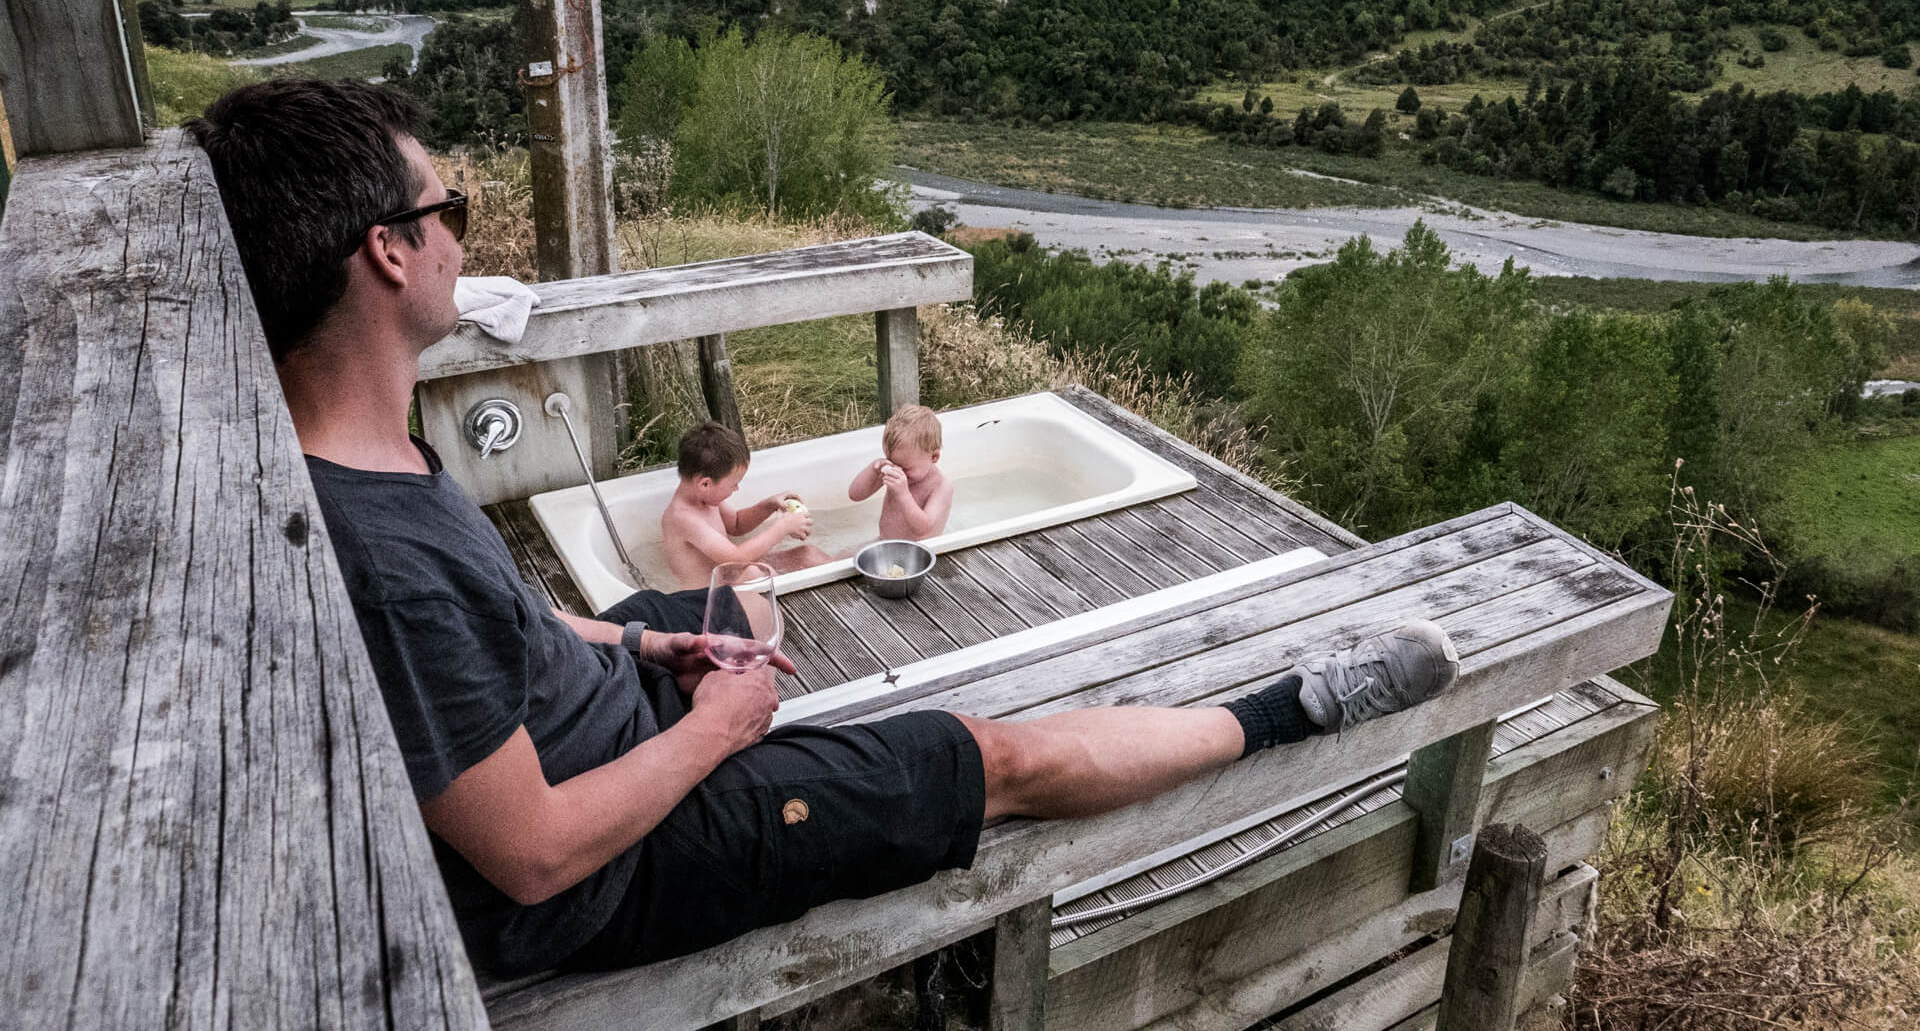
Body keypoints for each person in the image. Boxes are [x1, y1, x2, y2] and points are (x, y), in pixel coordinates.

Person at [190, 79, 1461, 978]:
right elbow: (531, 857)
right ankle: (1293, 705)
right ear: (389, 251)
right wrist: (716, 726)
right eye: (451, 207)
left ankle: (716, 679)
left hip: (603, 712)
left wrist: (641, 647)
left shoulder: (364, 452)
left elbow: (502, 625)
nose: (462, 233)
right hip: (613, 865)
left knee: (742, 605)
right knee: (987, 752)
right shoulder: (378, 555)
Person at [660, 421, 832, 589]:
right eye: (733, 484)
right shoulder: (683, 518)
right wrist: (783, 527)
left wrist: (769, 505)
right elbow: (736, 559)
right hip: (708, 596)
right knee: (756, 575)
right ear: (705, 484)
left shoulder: (707, 498)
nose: (737, 488)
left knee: (808, 555)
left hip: (732, 576)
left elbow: (736, 524)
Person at [848, 403, 954, 542]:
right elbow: (855, 495)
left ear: (934, 457)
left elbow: (924, 529)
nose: (898, 470)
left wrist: (903, 495)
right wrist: (873, 470)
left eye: (906, 468)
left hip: (919, 550)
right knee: (835, 554)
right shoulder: (898, 470)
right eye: (892, 462)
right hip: (885, 542)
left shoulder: (941, 486)